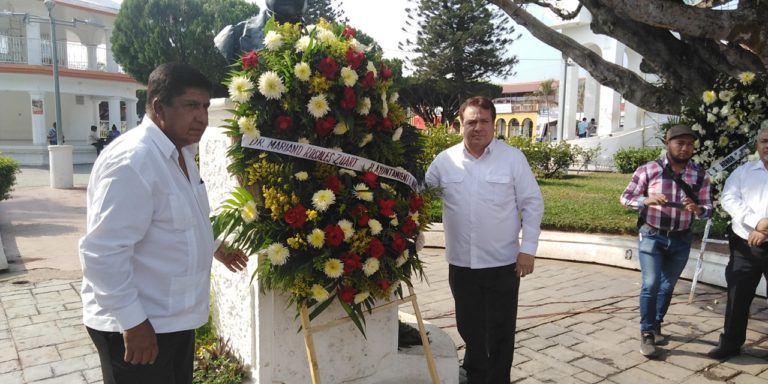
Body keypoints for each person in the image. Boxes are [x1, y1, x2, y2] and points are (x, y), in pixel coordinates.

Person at [79, 63, 249, 384]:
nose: (202, 116)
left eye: (205, 106)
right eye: (191, 106)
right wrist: (133, 322)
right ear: (159, 107)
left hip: (172, 320)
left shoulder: (181, 152)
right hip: (139, 326)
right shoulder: (134, 161)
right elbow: (102, 252)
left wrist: (214, 246)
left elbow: (183, 215)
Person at [425, 96, 544, 383]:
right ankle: (476, 374)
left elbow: (532, 203)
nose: (477, 127)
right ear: (460, 125)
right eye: (471, 121)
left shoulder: (512, 159)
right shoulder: (445, 161)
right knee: (469, 327)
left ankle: (498, 378)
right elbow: (421, 195)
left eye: (484, 121)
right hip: (462, 263)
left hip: (502, 263)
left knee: (501, 330)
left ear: (493, 125)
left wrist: (527, 250)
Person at [620, 124, 713, 358]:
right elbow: (625, 197)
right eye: (679, 143)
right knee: (650, 283)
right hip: (653, 234)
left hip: (681, 238)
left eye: (689, 144)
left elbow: (709, 208)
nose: (685, 148)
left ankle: (657, 323)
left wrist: (699, 209)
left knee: (667, 286)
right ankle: (647, 332)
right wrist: (645, 201)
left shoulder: (700, 174)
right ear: (667, 144)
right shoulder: (648, 170)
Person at [707, 126, 768, 360]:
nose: (767, 145)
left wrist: (765, 229)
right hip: (745, 245)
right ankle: (730, 344)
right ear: (757, 145)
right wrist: (756, 223)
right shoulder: (743, 172)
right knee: (737, 295)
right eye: (764, 140)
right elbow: (729, 198)